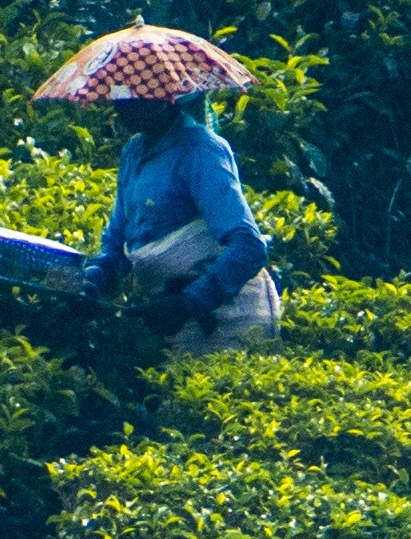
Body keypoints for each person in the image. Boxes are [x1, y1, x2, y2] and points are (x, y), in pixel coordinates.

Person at [84, 81, 279, 351]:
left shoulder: (200, 149)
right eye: (119, 95)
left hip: (228, 316)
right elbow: (117, 242)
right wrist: (93, 280)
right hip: (171, 315)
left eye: (134, 96)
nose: (121, 106)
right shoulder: (133, 151)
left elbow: (249, 247)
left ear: (165, 99)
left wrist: (189, 302)